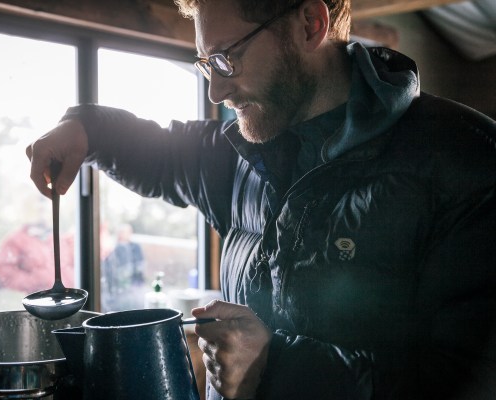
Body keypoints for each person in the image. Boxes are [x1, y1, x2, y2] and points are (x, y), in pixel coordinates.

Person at [25, 0, 496, 398]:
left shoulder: (467, 161)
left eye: (227, 58)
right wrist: (84, 128)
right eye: (206, 65)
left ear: (311, 24)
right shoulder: (241, 149)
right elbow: (158, 152)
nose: (216, 89)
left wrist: (275, 369)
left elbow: (470, 380)